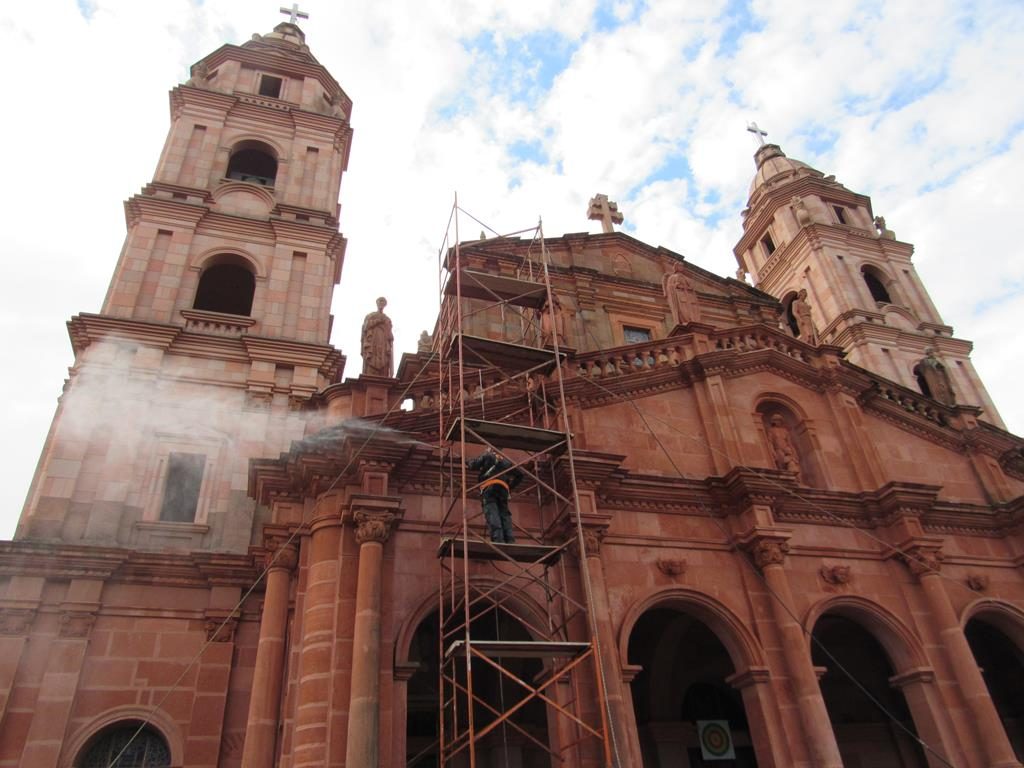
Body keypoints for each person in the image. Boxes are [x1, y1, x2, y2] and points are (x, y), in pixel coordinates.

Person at [466, 450, 523, 543]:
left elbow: (473, 465)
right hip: (503, 489)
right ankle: (510, 539)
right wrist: (509, 487)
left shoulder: (487, 456)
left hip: (490, 488)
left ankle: (498, 539)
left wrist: (467, 461)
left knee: (492, 512)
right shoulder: (506, 461)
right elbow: (520, 475)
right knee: (504, 514)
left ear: (490, 449)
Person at [361, 296, 394, 377]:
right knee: (371, 359)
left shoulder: (387, 319)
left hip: (383, 343)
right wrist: (378, 321)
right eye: (380, 302)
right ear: (377, 303)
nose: (381, 304)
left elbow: (390, 334)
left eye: (383, 302)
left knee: (384, 359)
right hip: (372, 341)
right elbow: (365, 327)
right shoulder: (370, 316)